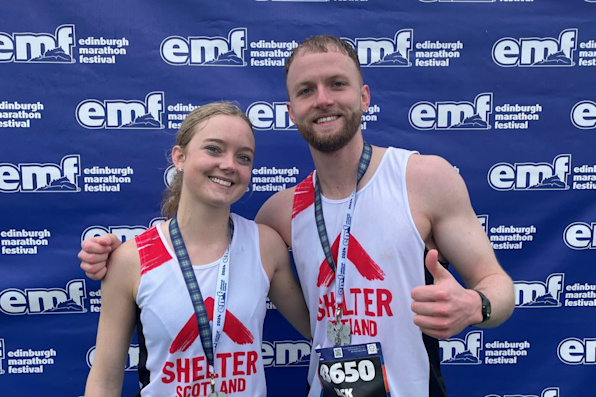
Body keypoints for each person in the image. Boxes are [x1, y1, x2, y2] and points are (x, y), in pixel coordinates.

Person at [80, 36, 515, 396]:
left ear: (363, 97)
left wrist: (475, 305)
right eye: (306, 90)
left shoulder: (423, 178)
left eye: (337, 84)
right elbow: (200, 251)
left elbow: (499, 288)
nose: (323, 100)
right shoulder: (281, 213)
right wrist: (115, 255)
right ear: (291, 111)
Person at [83, 102, 310, 397]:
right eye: (214, 149)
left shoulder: (264, 245)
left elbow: (319, 329)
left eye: (243, 157)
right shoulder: (132, 258)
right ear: (180, 157)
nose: (229, 164)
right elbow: (104, 380)